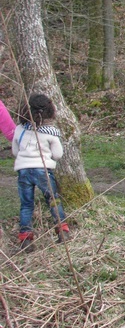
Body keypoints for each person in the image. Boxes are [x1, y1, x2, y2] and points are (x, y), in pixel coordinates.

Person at [12, 94, 69, 251]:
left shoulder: (19, 129)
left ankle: (25, 238)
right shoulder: (51, 132)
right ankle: (62, 229)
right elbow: (57, 155)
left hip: (23, 171)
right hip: (43, 170)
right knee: (53, 200)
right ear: (50, 111)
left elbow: (15, 151)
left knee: (26, 204)